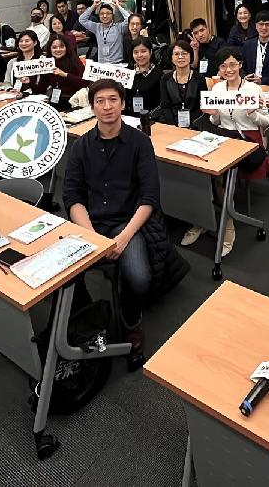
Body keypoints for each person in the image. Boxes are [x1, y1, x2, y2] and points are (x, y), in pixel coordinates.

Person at [64, 78, 188, 361]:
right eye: (100, 101)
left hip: (127, 222)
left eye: (113, 100)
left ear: (122, 104)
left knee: (140, 278)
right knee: (63, 277)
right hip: (90, 223)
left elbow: (149, 198)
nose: (107, 107)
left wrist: (123, 238)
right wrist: (92, 237)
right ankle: (90, 320)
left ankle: (131, 321)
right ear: (92, 107)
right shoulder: (81, 146)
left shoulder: (140, 143)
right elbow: (72, 196)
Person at [185, 47, 269, 254]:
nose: (228, 70)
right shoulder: (217, 89)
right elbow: (216, 122)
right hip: (223, 137)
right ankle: (204, 218)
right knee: (199, 168)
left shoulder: (252, 89)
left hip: (248, 142)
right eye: (223, 66)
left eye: (233, 64)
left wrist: (252, 114)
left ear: (240, 65)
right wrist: (213, 115)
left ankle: (227, 226)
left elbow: (266, 121)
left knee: (218, 176)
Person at [158, 40, 205, 128]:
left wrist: (192, 126)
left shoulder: (200, 78)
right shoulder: (165, 78)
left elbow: (201, 106)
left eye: (184, 53)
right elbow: (165, 106)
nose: (180, 57)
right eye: (176, 54)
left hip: (195, 124)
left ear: (191, 56)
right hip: (171, 124)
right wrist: (173, 126)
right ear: (171, 58)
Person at [36, 35, 86, 108]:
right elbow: (41, 89)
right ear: (50, 49)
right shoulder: (47, 63)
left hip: (74, 101)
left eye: (61, 47)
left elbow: (84, 83)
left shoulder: (75, 61)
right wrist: (29, 82)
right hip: (55, 100)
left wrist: (65, 74)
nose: (58, 50)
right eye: (54, 47)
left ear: (66, 48)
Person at [126, 37, 163, 116]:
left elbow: (160, 103)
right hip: (128, 117)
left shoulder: (159, 75)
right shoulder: (127, 72)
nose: (139, 55)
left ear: (151, 52)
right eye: (136, 52)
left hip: (150, 118)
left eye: (143, 51)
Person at [81, 0, 125, 64]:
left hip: (116, 63)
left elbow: (129, 19)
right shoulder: (96, 27)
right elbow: (82, 19)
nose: (104, 16)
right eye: (102, 14)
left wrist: (118, 6)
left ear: (112, 15)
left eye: (108, 13)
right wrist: (93, 6)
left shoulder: (119, 27)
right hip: (101, 64)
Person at [3, 29, 44, 94]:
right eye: (21, 41)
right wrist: (10, 89)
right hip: (15, 95)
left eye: (27, 41)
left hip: (36, 95)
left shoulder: (42, 61)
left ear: (35, 42)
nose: (23, 43)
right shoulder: (13, 62)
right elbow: (7, 82)